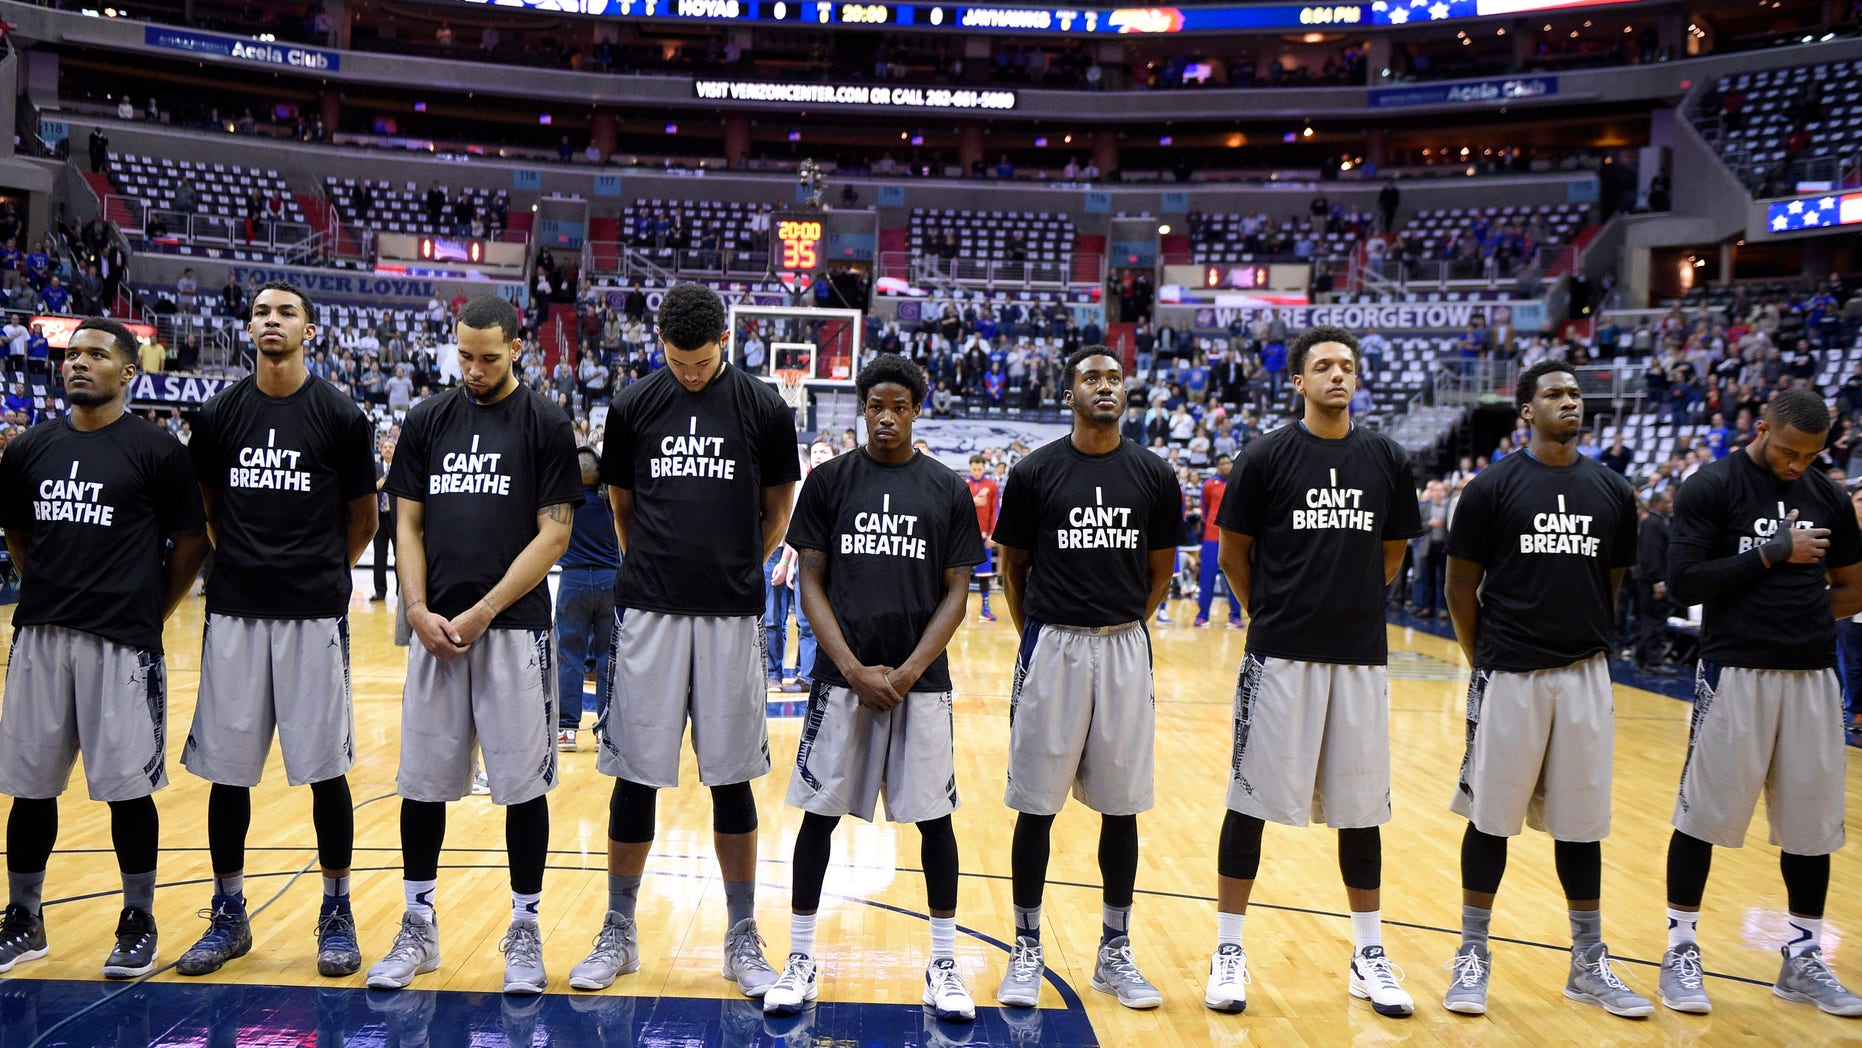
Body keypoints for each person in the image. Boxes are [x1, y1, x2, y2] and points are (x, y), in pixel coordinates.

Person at [570, 283, 800, 997]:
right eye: (678, 361)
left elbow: (780, 507)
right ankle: (619, 929)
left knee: (731, 780)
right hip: (650, 615)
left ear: (723, 344)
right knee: (634, 775)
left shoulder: (763, 406)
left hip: (731, 616)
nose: (690, 373)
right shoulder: (635, 405)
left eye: (701, 362)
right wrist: (656, 568)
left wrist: (738, 567)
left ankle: (740, 935)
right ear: (660, 346)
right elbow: (622, 508)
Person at [366, 294, 580, 995]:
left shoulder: (545, 423)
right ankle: (418, 925)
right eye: (465, 355)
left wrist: (486, 609)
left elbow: (554, 533)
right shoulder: (429, 418)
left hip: (512, 630)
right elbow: (408, 525)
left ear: (516, 349)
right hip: (435, 634)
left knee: (524, 787)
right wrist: (417, 609)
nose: (475, 368)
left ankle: (524, 928)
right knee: (422, 784)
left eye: (489, 357)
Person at [762, 355, 986, 1021]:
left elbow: (957, 591)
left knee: (935, 824)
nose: (886, 417)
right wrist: (852, 667)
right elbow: (810, 580)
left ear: (917, 409)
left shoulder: (945, 488)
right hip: (842, 680)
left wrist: (912, 668)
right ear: (862, 408)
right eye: (875, 405)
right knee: (819, 818)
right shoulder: (829, 483)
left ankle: (942, 963)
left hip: (921, 683)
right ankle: (800, 959)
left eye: (899, 406)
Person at [1209, 325, 1423, 1017]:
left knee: (1362, 813)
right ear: (1297, 380)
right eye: (1324, 367)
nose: (1338, 376)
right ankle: (1228, 950)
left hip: (1359, 656)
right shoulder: (1267, 457)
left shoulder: (1386, 458)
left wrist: (1351, 604)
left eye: (1348, 367)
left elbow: (1393, 553)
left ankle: (1369, 954)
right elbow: (1234, 554)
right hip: (1279, 655)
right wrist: (1267, 613)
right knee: (1250, 806)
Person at [175, 282, 379, 979]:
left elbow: (363, 519)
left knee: (325, 772)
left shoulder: (341, 416)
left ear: (310, 330)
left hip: (312, 614)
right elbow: (207, 505)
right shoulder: (220, 413)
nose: (271, 320)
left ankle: (336, 910)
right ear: (250, 326)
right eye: (261, 311)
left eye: (285, 312)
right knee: (228, 776)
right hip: (234, 611)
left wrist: (318, 571)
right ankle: (229, 913)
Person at [1439, 361, 1651, 1017]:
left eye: (1576, 394)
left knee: (1582, 825)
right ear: (1525, 410)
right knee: (1491, 821)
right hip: (1509, 673)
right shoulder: (1490, 489)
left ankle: (1588, 962)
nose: (1570, 402)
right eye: (1555, 394)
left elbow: (1611, 583)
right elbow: (1458, 590)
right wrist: (1488, 660)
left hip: (1584, 674)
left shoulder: (1613, 491)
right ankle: (1471, 955)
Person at [0, 318, 209, 978]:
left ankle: (137, 918)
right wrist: (49, 592)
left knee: (127, 792)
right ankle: (24, 919)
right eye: (72, 354)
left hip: (123, 645)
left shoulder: (157, 452)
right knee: (30, 791)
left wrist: (148, 610)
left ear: (128, 372)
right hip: (40, 637)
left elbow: (192, 544)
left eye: (97, 354)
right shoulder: (30, 449)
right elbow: (18, 535)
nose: (79, 363)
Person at [1659, 388, 1862, 1016]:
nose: (1797, 465)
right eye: (1786, 451)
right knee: (1704, 817)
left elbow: (1852, 589)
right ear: (1761, 427)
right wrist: (1772, 553)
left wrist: (1796, 612)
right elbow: (1684, 583)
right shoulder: (1712, 486)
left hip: (1811, 676)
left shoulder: (1827, 495)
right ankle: (1680, 949)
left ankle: (1802, 959)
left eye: (1810, 456)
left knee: (1812, 825)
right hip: (1734, 671)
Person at [991, 345, 1182, 1012]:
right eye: (1092, 378)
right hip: (1053, 645)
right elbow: (1012, 567)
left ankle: (1114, 951)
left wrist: (1125, 623)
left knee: (1123, 806)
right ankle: (1025, 948)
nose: (1105, 386)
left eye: (1114, 377)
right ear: (1069, 391)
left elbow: (1160, 571)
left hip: (1125, 646)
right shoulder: (1036, 472)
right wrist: (1038, 635)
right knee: (1036, 806)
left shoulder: (1154, 474)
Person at [555, 445, 619, 751]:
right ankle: (604, 730)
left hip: (573, 579)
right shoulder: (613, 503)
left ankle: (566, 729)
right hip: (611, 580)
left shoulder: (565, 505)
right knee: (608, 657)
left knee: (569, 656)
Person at [1195, 453, 1243, 628]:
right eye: (1221, 463)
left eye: (1228, 462)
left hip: (1233, 537)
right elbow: (1206, 509)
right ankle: (1202, 615)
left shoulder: (1239, 483)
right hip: (1211, 536)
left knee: (1236, 578)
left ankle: (1235, 616)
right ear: (1217, 466)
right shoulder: (1208, 485)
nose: (1225, 466)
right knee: (1207, 576)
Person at [1634, 489, 1675, 674]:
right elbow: (1652, 555)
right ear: (1658, 503)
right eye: (1667, 502)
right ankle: (1652, 661)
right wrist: (1658, 581)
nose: (1670, 506)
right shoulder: (1653, 523)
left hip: (1647, 579)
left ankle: (1643, 659)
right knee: (1654, 621)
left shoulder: (1653, 522)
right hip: (1651, 580)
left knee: (1649, 620)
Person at [965, 453, 1000, 622]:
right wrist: (973, 501)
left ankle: (985, 608)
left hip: (984, 537)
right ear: (970, 468)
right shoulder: (963, 483)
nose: (977, 472)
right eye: (974, 469)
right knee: (958, 574)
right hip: (964, 537)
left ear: (984, 468)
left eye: (979, 469)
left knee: (984, 574)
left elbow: (995, 510)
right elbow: (956, 507)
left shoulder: (992, 485)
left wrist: (994, 533)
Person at [372, 434, 396, 601]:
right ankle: (380, 591)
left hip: (396, 518)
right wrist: (377, 485)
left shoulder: (400, 469)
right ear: (380, 450)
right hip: (379, 518)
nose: (387, 449)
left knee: (400, 556)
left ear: (395, 450)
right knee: (379, 556)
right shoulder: (374, 469)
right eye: (385, 447)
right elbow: (366, 491)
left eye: (391, 447)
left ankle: (400, 592)